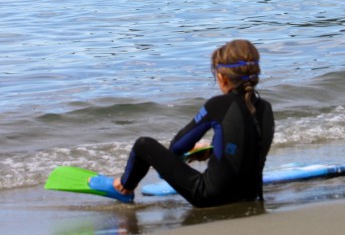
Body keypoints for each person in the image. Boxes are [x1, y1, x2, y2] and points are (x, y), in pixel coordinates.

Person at [90, 39, 274, 207]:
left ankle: (123, 187)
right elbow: (248, 150)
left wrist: (180, 158)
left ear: (222, 77)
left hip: (209, 196)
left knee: (143, 145)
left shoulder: (218, 105)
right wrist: (210, 151)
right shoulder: (266, 108)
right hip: (251, 195)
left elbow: (177, 145)